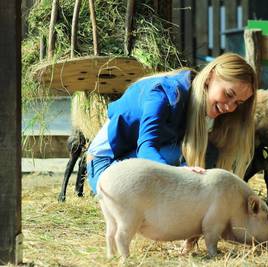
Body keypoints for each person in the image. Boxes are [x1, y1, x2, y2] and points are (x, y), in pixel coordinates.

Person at [86, 53, 258, 194]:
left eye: (238, 103)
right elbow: (146, 147)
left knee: (207, 153)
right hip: (107, 165)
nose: (230, 107)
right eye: (228, 94)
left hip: (138, 161)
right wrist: (177, 174)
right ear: (210, 77)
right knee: (186, 168)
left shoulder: (198, 104)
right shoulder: (163, 94)